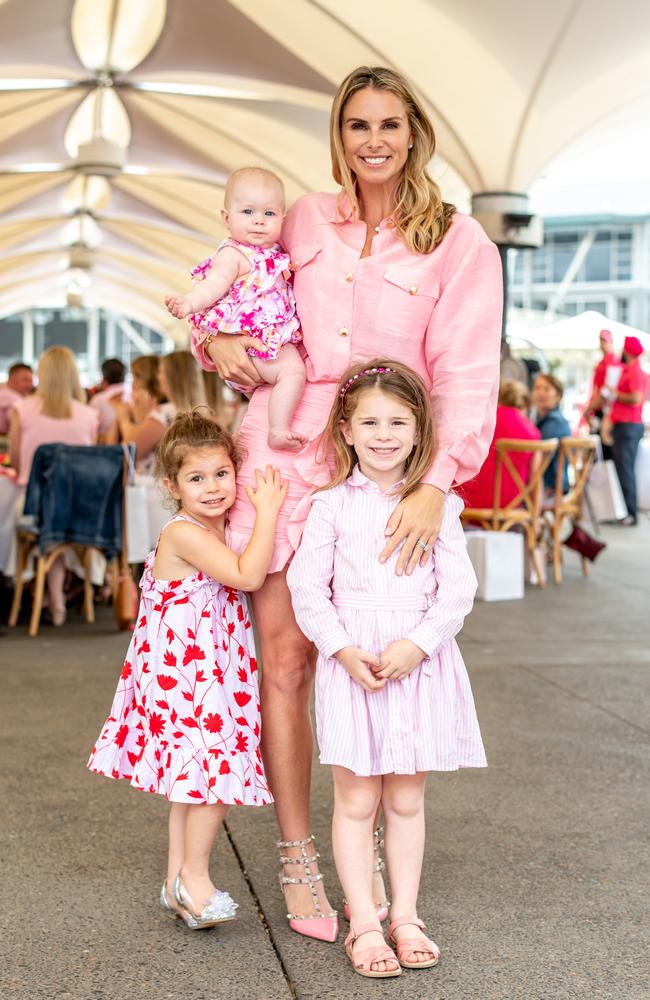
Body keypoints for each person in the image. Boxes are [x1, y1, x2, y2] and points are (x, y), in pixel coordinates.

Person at [191, 66, 502, 939]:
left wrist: (437, 486)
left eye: (389, 125)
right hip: (285, 450)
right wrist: (214, 340)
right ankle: (300, 861)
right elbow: (237, 298)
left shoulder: (459, 240)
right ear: (339, 134)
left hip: (388, 465)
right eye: (357, 124)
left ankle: (375, 860)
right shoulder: (299, 220)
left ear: (414, 133)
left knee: (378, 651)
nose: (373, 140)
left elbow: (467, 376)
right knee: (287, 660)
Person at [287, 361, 485, 977]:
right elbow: (306, 589)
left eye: (398, 421)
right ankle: (365, 923)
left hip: (417, 665)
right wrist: (342, 650)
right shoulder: (329, 508)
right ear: (345, 429)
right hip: (353, 665)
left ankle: (405, 914)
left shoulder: (439, 507)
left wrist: (418, 645)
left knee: (405, 798)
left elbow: (457, 590)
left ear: (419, 427)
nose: (383, 433)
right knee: (354, 799)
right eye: (369, 421)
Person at [87, 411, 287, 928]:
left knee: (191, 779)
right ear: (173, 486)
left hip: (203, 671)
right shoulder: (184, 532)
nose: (214, 487)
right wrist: (267, 511)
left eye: (222, 474)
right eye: (197, 478)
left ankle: (176, 880)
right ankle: (196, 879)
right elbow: (247, 576)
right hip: (190, 677)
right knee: (211, 778)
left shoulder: (208, 527)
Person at [165, 167, 306, 451]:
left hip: (268, 339)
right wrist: (190, 302)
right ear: (226, 218)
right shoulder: (234, 254)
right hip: (253, 340)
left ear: (283, 218)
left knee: (286, 375)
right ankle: (278, 428)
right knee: (292, 373)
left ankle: (272, 424)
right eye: (247, 212)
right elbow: (214, 284)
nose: (258, 221)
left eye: (269, 214)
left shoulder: (275, 252)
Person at [7, 346, 98, 624]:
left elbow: (15, 462)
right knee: (58, 522)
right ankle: (58, 595)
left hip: (34, 508)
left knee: (28, 514)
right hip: (80, 510)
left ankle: (41, 593)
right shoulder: (88, 415)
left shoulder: (21, 410)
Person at [115, 351, 207, 470]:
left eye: (160, 372)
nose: (158, 377)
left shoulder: (164, 414)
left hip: (151, 485)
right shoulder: (201, 411)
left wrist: (124, 419)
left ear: (172, 377)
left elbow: (128, 452)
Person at [461, 379, 541, 510]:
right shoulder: (532, 433)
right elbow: (535, 480)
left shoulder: (481, 421)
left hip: (468, 504)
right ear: (525, 405)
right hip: (508, 508)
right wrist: (535, 519)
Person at [607, 336, 649, 525]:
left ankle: (630, 514)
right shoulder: (632, 370)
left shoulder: (634, 371)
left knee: (625, 470)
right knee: (623, 469)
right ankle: (624, 511)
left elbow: (636, 398)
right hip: (625, 426)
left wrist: (616, 394)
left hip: (628, 426)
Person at [584, 329, 621, 459]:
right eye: (601, 340)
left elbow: (606, 393)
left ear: (611, 342)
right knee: (596, 453)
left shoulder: (613, 362)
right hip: (597, 409)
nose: (603, 343)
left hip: (605, 410)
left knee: (602, 454)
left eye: (605, 340)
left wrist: (589, 409)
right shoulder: (602, 362)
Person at [531, 373, 571, 493]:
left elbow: (536, 459)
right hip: (550, 485)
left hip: (550, 488)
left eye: (546, 389)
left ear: (558, 396)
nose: (540, 393)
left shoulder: (554, 423)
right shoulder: (546, 420)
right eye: (537, 388)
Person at [89, 358, 128, 439]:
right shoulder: (133, 396)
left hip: (104, 447)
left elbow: (90, 429)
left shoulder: (98, 400)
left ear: (103, 377)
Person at [0, 362, 33, 434]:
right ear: (12, 379)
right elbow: (21, 423)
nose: (29, 385)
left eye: (31, 381)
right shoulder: (10, 398)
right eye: (25, 380)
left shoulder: (4, 392)